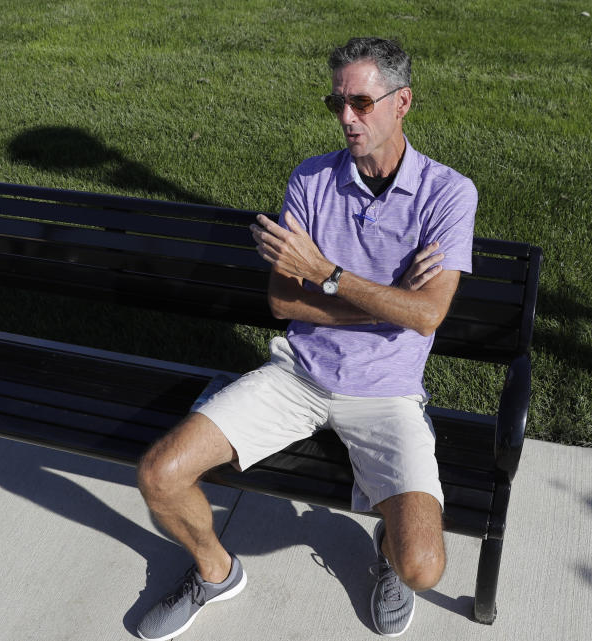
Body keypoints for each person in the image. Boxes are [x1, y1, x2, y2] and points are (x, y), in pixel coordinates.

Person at [135, 37, 477, 639]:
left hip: (387, 392)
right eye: (336, 102)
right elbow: (281, 301)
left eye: (362, 102)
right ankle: (215, 573)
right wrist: (387, 301)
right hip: (297, 374)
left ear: (403, 103)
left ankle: (390, 550)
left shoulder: (448, 194)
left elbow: (427, 317)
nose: (347, 117)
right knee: (159, 474)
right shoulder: (311, 179)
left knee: (423, 566)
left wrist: (330, 275)